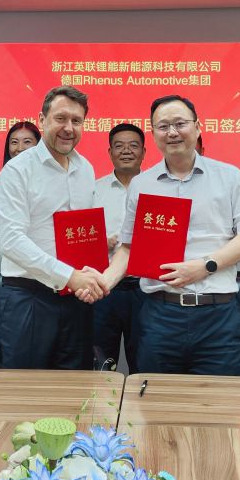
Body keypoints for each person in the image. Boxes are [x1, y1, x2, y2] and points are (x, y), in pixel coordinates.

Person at [88, 95, 240, 376]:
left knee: (220, 399)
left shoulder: (229, 177)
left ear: (197, 126)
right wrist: (103, 282)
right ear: (154, 133)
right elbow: (129, 248)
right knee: (156, 398)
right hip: (161, 315)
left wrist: (205, 265)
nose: (172, 132)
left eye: (180, 123)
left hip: (217, 316)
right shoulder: (142, 184)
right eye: (163, 126)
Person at [0, 85, 107, 369]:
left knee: (74, 384)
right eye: (61, 118)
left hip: (76, 299)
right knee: (28, 386)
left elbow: (80, 233)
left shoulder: (86, 169)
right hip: (29, 297)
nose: (69, 128)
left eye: (76, 121)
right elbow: (12, 242)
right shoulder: (17, 170)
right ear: (42, 120)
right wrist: (70, 276)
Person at [92, 122, 146, 372]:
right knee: (102, 360)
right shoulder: (94, 190)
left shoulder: (156, 188)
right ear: (110, 152)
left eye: (133, 145)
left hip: (145, 289)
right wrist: (99, 244)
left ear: (143, 152)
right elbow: (77, 238)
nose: (126, 151)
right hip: (104, 288)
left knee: (144, 359)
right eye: (119, 146)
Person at [0, 121, 40, 271]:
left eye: (27, 142)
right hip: (9, 268)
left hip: (47, 268)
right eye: (14, 142)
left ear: (39, 146)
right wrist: (5, 265)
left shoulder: (52, 180)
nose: (19, 148)